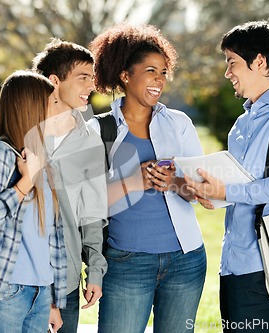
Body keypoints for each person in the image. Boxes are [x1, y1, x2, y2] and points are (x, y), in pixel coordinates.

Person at [184, 21, 269, 332]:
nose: (227, 73)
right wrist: (214, 196)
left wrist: (227, 193)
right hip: (234, 262)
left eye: (232, 63)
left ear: (259, 62)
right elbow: (242, 185)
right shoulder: (242, 123)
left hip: (264, 263)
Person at [0, 39, 108, 333]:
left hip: (64, 281)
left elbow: (91, 212)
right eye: (84, 77)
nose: (93, 85)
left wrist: (96, 271)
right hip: (13, 280)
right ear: (55, 81)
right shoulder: (13, 129)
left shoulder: (89, 138)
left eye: (93, 77)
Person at [87, 24, 207, 333]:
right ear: (126, 76)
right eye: (151, 70)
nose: (159, 79)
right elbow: (86, 201)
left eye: (164, 72)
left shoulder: (179, 124)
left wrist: (175, 184)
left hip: (186, 260)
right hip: (127, 263)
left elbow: (200, 191)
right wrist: (135, 181)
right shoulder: (97, 131)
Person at [0, 70, 65, 333]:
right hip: (4, 292)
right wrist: (25, 182)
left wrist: (54, 300)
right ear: (32, 108)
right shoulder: (0, 153)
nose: (60, 108)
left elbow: (52, 236)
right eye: (54, 102)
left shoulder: (45, 160)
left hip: (40, 294)